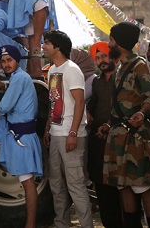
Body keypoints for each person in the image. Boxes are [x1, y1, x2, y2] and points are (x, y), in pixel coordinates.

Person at [97, 22, 150, 228]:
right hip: (117, 136)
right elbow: (119, 106)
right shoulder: (119, 67)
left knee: (142, 187)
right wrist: (108, 123)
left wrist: (142, 113)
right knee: (124, 186)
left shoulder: (141, 66)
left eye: (112, 39)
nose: (109, 43)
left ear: (121, 42)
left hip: (135, 136)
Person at [0, 45, 42, 228]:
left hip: (22, 137)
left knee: (27, 182)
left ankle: (30, 225)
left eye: (9, 60)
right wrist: (3, 85)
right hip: (17, 131)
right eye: (4, 61)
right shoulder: (18, 77)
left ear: (17, 60)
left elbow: (5, 106)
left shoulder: (19, 78)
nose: (6, 64)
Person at [42, 30, 93, 228]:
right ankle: (61, 223)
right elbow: (53, 103)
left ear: (57, 47)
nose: (43, 46)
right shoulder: (53, 70)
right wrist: (48, 129)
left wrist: (73, 132)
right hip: (56, 134)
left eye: (47, 43)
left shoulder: (72, 69)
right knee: (56, 184)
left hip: (71, 135)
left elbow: (80, 103)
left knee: (76, 185)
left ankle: (87, 225)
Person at [86, 41, 123, 228]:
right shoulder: (97, 81)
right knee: (101, 184)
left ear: (113, 56)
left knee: (120, 186)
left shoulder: (122, 77)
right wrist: (88, 112)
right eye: (97, 57)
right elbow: (93, 102)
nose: (101, 60)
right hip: (98, 140)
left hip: (118, 137)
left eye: (104, 56)